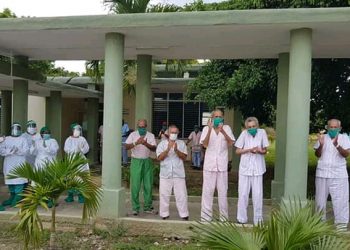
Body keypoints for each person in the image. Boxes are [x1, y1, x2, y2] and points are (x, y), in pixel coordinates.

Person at [314, 119, 350, 230]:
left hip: (339, 174)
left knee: (341, 200)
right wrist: (320, 145)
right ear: (327, 127)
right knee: (320, 201)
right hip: (322, 173)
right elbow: (317, 154)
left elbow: (346, 154)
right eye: (331, 127)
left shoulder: (344, 138)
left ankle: (341, 227)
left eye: (335, 127)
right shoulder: (323, 137)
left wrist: (337, 145)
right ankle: (319, 226)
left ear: (339, 128)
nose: (333, 129)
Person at [200, 109, 235, 221]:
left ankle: (224, 218)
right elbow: (205, 145)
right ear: (212, 118)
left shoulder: (227, 128)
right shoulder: (206, 129)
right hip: (209, 165)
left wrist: (222, 131)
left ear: (223, 118)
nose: (218, 118)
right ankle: (206, 217)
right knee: (207, 192)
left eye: (220, 116)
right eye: (216, 116)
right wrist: (210, 130)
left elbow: (231, 143)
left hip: (222, 165)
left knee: (223, 192)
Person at [235, 117, 269, 225]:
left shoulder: (262, 133)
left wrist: (259, 151)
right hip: (245, 169)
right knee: (243, 194)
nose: (252, 128)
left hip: (258, 168)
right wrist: (249, 150)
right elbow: (237, 151)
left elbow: (265, 150)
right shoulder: (244, 134)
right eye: (249, 127)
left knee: (257, 195)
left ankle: (258, 220)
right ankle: (241, 219)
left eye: (253, 126)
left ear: (257, 126)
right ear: (246, 127)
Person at [156, 125, 189, 220]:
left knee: (181, 195)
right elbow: (159, 158)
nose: (173, 134)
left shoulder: (181, 143)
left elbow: (184, 157)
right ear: (168, 133)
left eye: (175, 133)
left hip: (178, 173)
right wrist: (167, 149)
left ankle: (184, 214)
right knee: (164, 195)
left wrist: (176, 150)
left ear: (178, 134)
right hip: (165, 174)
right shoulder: (162, 144)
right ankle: (164, 214)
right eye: (172, 132)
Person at [125, 119, 157, 215]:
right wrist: (136, 143)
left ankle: (147, 206)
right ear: (137, 127)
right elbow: (126, 146)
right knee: (135, 185)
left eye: (143, 127)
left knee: (148, 184)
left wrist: (145, 143)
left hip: (147, 161)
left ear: (146, 126)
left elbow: (154, 148)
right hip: (136, 161)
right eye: (140, 127)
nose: (141, 128)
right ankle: (135, 207)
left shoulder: (150, 135)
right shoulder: (133, 135)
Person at [0, 123, 29, 207]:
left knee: (19, 180)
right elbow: (1, 150)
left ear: (20, 129)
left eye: (18, 128)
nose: (16, 130)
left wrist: (18, 150)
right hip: (9, 163)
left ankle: (18, 198)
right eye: (14, 128)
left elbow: (26, 151)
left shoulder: (23, 139)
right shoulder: (6, 139)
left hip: (19, 163)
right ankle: (12, 197)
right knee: (10, 181)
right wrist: (10, 151)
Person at [64, 123, 90, 203]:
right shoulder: (68, 139)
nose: (77, 131)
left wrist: (81, 150)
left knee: (81, 178)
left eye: (79, 130)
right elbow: (66, 149)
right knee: (70, 178)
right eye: (76, 129)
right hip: (71, 160)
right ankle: (70, 196)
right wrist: (74, 150)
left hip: (81, 161)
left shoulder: (82, 139)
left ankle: (81, 196)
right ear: (72, 130)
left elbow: (87, 148)